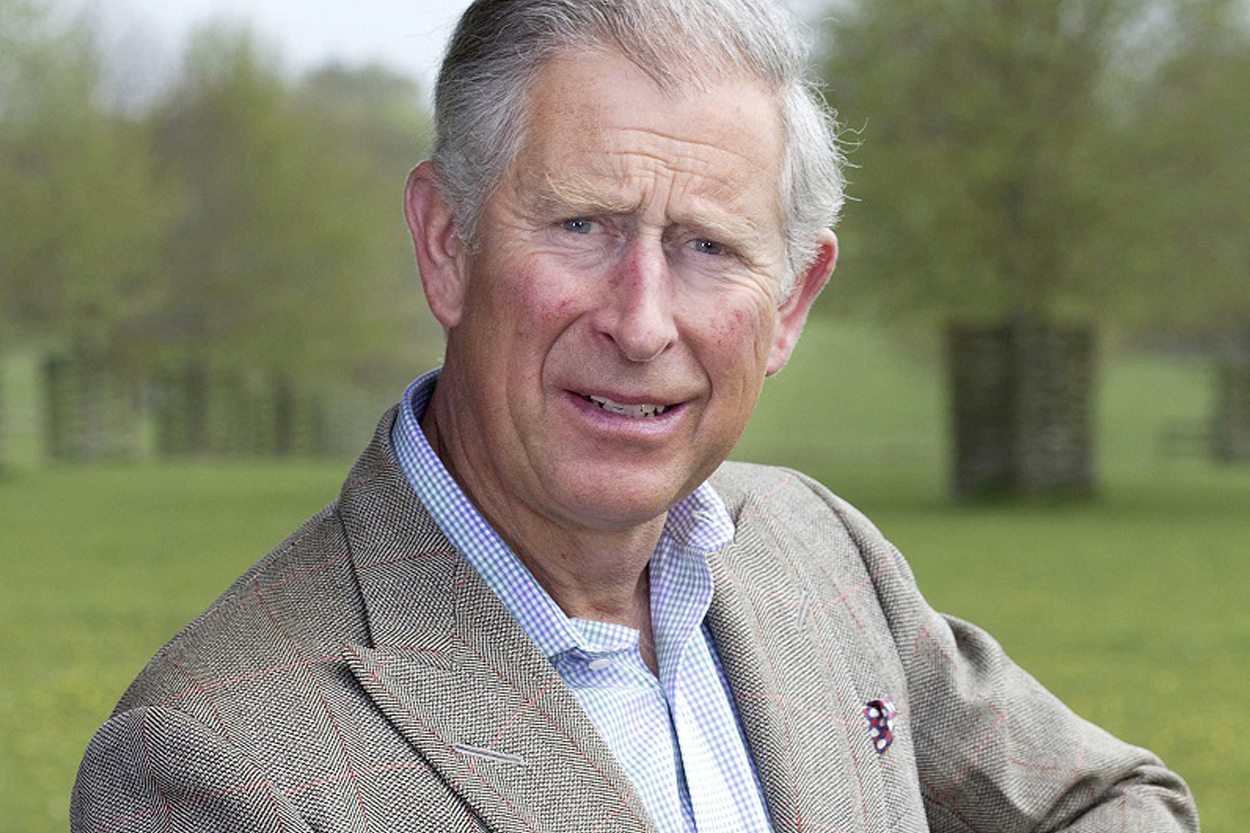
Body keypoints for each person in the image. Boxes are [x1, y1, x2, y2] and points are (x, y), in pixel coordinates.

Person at [71, 0, 1198, 830]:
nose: (642, 319)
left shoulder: (815, 550)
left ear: (791, 301)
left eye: (707, 246)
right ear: (446, 242)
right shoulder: (210, 760)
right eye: (582, 226)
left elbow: (1114, 800)